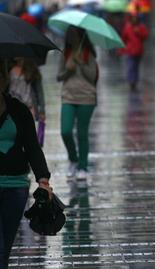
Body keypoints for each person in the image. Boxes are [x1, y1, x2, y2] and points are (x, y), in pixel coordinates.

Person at [0, 58, 53, 268]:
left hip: (16, 187)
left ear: (4, 80)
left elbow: (32, 147)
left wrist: (43, 180)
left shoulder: (19, 111)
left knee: (5, 249)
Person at [57, 26, 98, 180]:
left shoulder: (89, 53)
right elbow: (59, 76)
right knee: (65, 131)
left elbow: (92, 77)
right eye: (70, 34)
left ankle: (83, 166)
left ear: (81, 36)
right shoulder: (65, 53)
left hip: (87, 97)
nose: (72, 37)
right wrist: (68, 70)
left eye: (75, 34)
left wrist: (81, 63)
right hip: (68, 96)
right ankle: (73, 159)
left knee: (82, 133)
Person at [8, 58, 46, 122]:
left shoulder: (32, 69)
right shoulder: (8, 67)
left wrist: (42, 110)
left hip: (29, 107)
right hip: (12, 107)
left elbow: (39, 92)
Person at [120, 13, 149, 91]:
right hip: (130, 51)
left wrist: (138, 33)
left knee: (136, 66)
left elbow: (145, 36)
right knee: (131, 66)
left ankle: (135, 81)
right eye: (133, 18)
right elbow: (124, 38)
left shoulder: (141, 27)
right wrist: (121, 49)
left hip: (139, 51)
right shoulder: (127, 27)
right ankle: (131, 81)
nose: (134, 20)